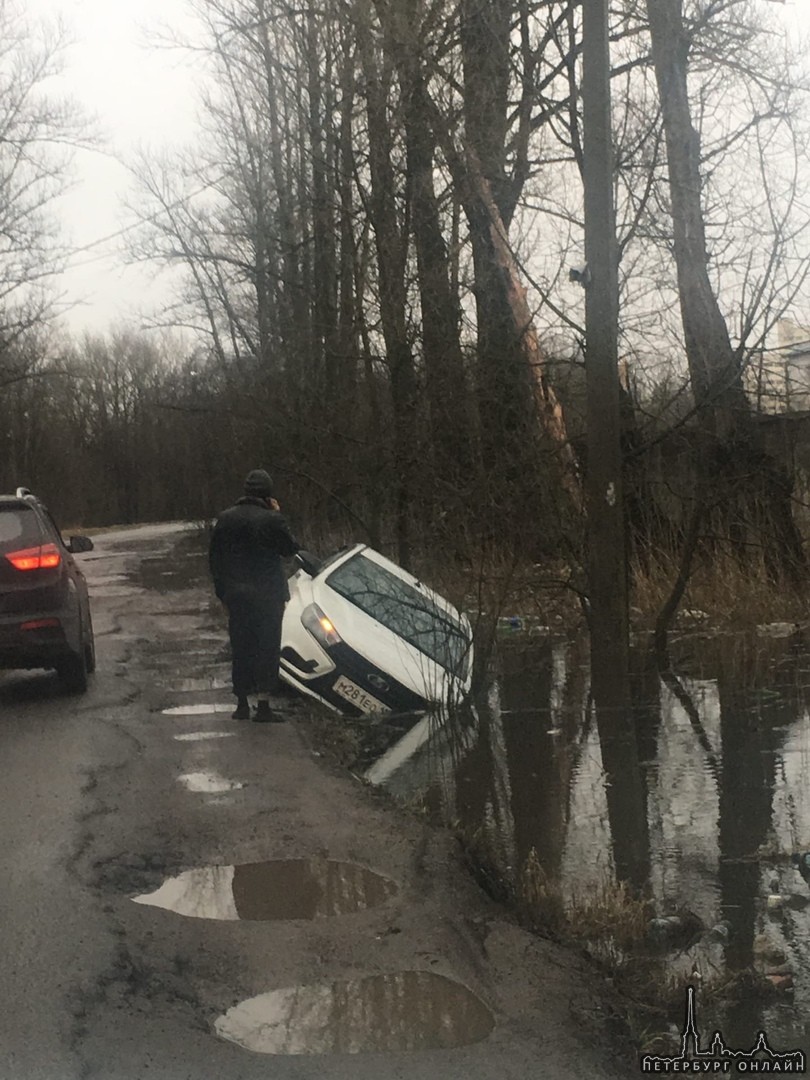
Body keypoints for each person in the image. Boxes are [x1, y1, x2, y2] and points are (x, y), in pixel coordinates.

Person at [209, 469, 298, 721]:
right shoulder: (272, 520)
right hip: (268, 594)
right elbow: (289, 548)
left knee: (241, 645)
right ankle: (264, 705)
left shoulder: (225, 519)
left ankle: (241, 703)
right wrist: (277, 515)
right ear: (268, 494)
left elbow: (215, 559)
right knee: (266, 647)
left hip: (237, 594)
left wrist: (223, 594)